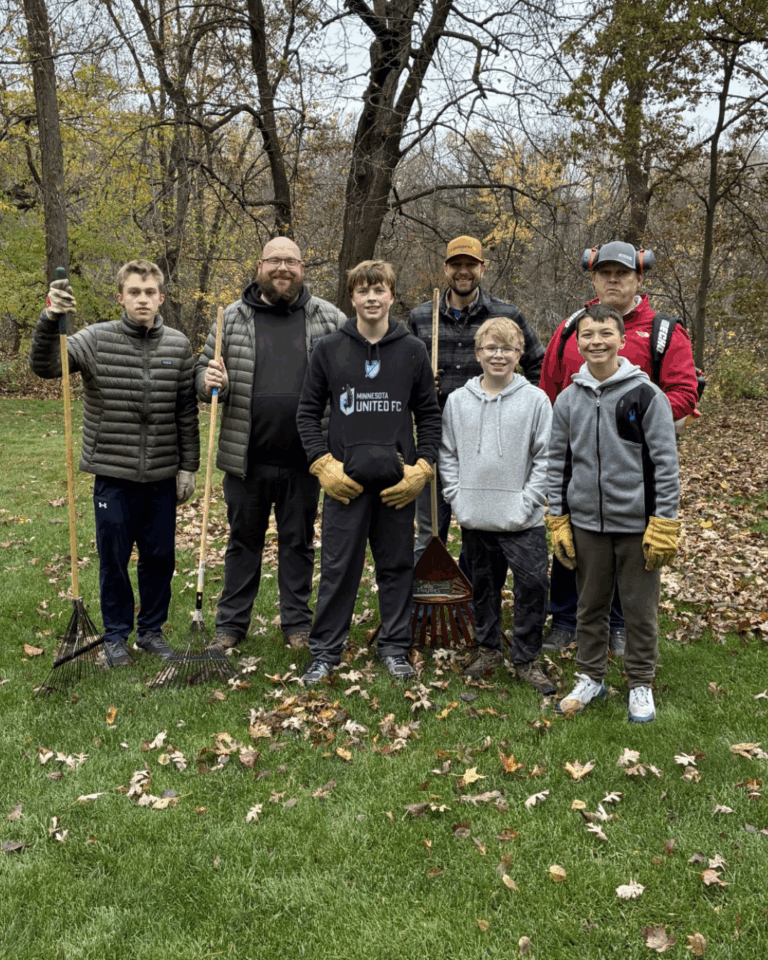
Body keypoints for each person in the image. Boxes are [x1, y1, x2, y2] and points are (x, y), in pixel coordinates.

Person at [30, 260, 200, 666]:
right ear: (120, 296)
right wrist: (50, 316)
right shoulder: (94, 339)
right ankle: (116, 636)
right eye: (134, 292)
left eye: (150, 292)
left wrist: (188, 466)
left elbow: (185, 411)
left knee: (160, 559)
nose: (143, 299)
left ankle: (152, 633)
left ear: (161, 297)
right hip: (113, 474)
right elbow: (47, 367)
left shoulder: (177, 345)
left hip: (161, 474)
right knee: (115, 560)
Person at [539, 241, 697, 656]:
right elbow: (550, 387)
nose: (613, 280)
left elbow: (683, 392)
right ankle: (567, 618)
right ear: (593, 277)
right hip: (578, 453)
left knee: (632, 542)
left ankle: (623, 623)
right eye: (605, 273)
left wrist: (634, 417)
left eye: (622, 273)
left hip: (635, 456)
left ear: (638, 278)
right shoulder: (572, 326)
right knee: (573, 535)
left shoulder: (663, 330)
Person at [196, 237, 345, 653]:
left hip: (307, 459)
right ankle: (230, 625)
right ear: (259, 265)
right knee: (243, 542)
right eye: (275, 260)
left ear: (302, 268)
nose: (283, 268)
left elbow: (351, 375)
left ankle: (297, 623)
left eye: (291, 262)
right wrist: (209, 383)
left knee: (298, 543)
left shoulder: (329, 318)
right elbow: (203, 375)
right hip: (247, 456)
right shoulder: (231, 319)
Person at [296, 260, 442, 684]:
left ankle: (395, 647)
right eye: (363, 291)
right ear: (352, 298)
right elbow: (307, 413)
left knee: (396, 566)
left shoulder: (412, 350)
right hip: (346, 484)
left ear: (392, 296)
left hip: (396, 485)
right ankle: (325, 651)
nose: (372, 298)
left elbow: (429, 416)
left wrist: (423, 467)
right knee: (339, 568)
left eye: (380, 290)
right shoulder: (329, 349)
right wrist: (322, 464)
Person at [547, 304, 680, 722]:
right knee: (590, 605)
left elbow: (665, 463)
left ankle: (639, 682)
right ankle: (591, 677)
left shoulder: (645, 395)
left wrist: (664, 521)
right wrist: (558, 516)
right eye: (588, 335)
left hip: (639, 525)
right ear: (578, 343)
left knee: (640, 610)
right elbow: (558, 462)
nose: (596, 341)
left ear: (622, 340)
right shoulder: (569, 399)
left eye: (606, 333)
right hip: (587, 524)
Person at [408, 236, 545, 567]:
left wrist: (521, 405)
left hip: (489, 446)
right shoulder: (421, 317)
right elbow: (402, 376)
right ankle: (427, 596)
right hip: (434, 440)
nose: (463, 271)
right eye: (456, 264)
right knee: (430, 529)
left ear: (482, 269)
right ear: (445, 269)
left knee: (481, 531)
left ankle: (473, 592)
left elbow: (538, 362)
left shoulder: (506, 315)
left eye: (470, 264)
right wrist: (420, 383)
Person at [439, 318, 555, 693]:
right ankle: (487, 649)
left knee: (533, 585)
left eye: (507, 349)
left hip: (523, 520)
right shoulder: (458, 402)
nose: (499, 355)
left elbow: (546, 458)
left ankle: (526, 658)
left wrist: (529, 502)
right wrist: (458, 497)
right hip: (477, 516)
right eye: (491, 348)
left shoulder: (536, 400)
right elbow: (448, 455)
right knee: (483, 586)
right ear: (478, 353)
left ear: (519, 355)